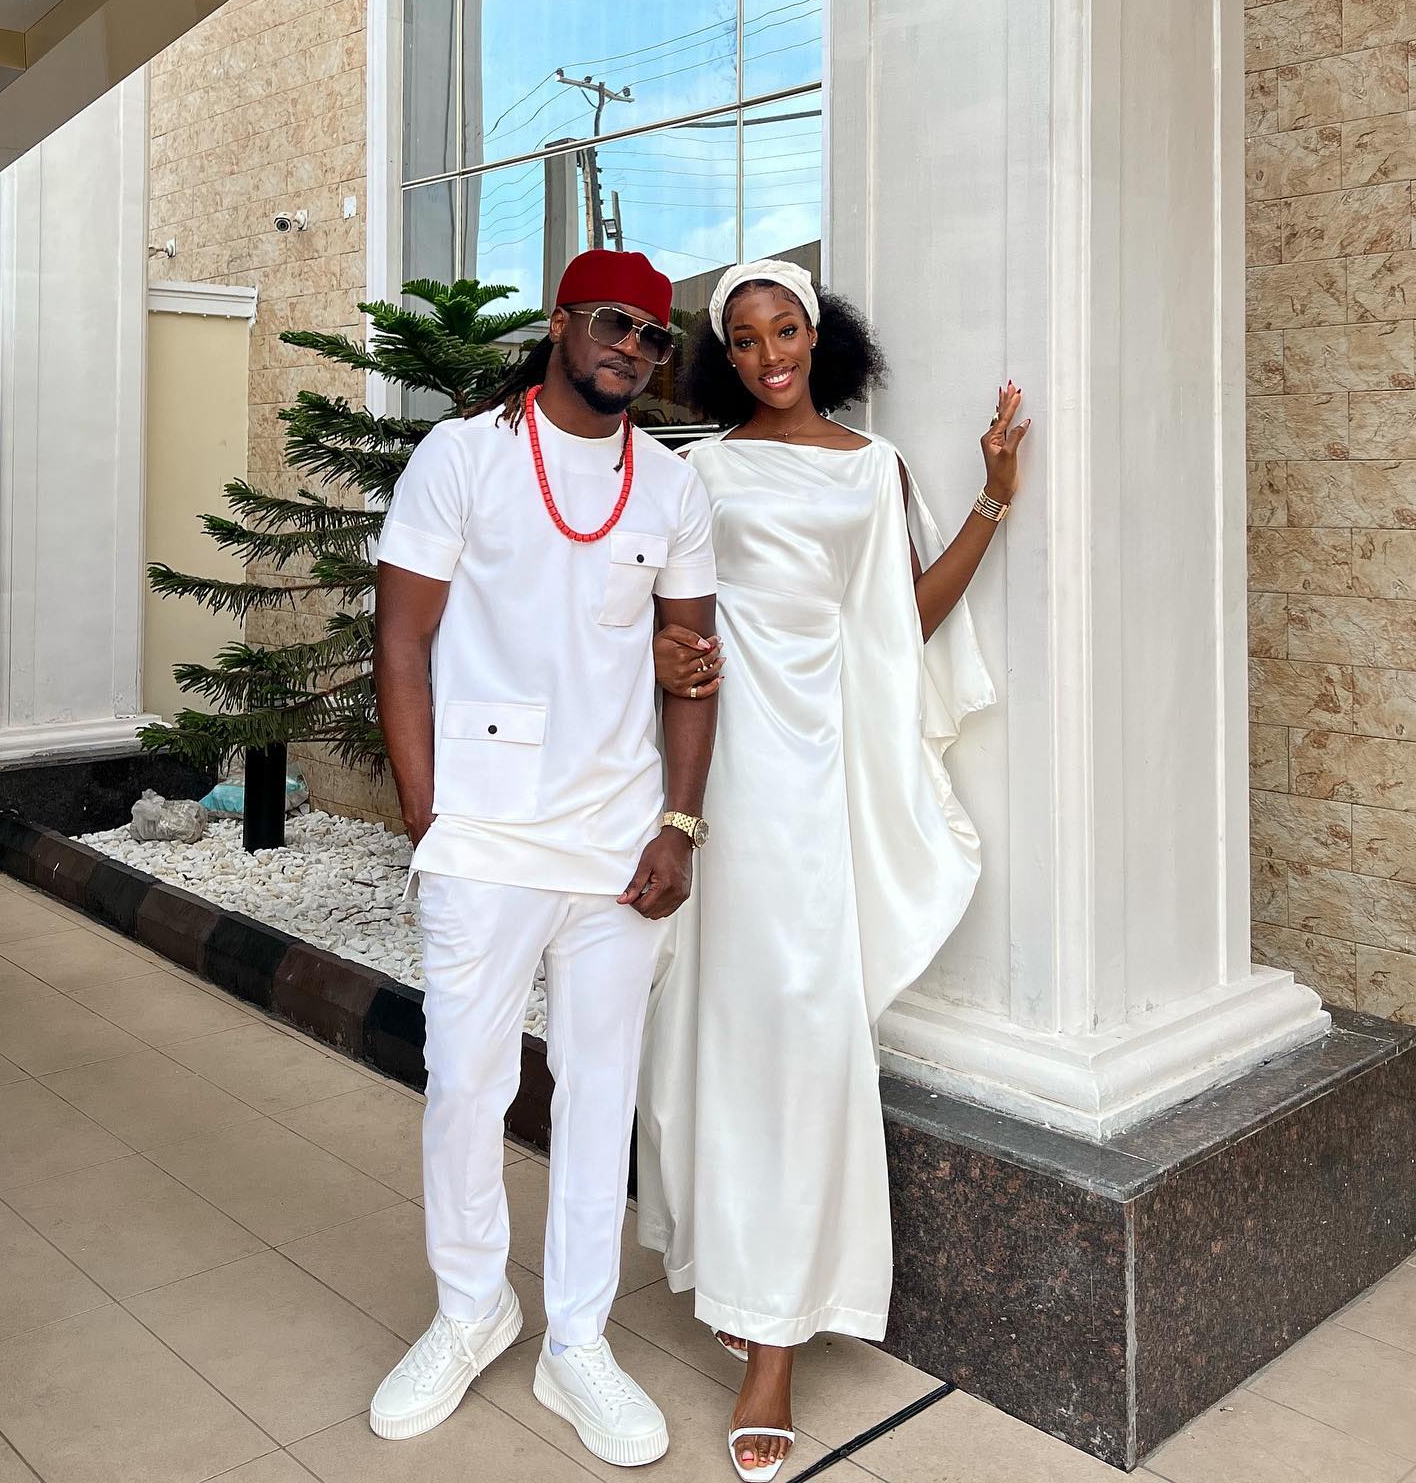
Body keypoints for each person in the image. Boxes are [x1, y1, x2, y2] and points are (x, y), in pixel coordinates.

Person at [637, 259, 1029, 1481]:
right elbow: (655, 617)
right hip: (720, 775)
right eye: (747, 339)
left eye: (787, 330)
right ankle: (731, 1262)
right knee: (718, 1027)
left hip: (819, 780)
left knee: (808, 1036)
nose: (770, 355)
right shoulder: (700, 472)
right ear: (725, 358)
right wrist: (663, 656)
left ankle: (776, 1343)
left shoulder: (875, 468)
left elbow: (901, 621)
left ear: (821, 337)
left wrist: (992, 499)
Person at [370, 248, 719, 1467]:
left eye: (655, 335)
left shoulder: (671, 487)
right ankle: (472, 1308)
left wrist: (679, 824)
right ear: (563, 323)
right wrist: (431, 818)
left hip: (619, 844)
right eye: (614, 322)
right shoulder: (462, 456)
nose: (633, 347)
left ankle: (577, 1339)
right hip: (484, 834)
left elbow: (693, 668)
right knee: (466, 1083)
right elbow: (401, 643)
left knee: (598, 1091)